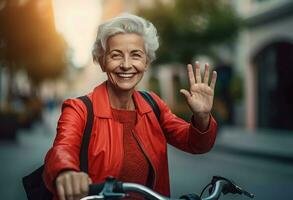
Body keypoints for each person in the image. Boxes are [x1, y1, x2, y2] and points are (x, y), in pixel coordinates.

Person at [43, 13, 218, 200]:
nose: (126, 65)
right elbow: (62, 149)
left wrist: (202, 117)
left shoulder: (153, 104)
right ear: (102, 62)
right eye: (116, 55)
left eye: (136, 55)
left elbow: (195, 143)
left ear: (146, 62)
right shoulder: (79, 109)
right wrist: (66, 172)